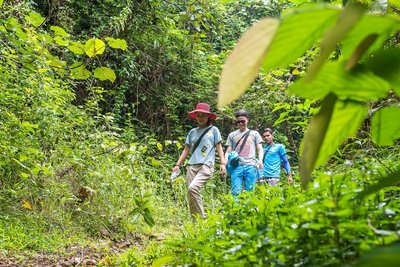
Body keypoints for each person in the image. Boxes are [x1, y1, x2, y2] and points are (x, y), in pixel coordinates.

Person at [173, 103, 226, 219]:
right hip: (192, 166)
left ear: (208, 117)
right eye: (199, 115)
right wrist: (177, 164)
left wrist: (222, 163)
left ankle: (201, 219)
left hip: (206, 165)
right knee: (190, 192)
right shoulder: (192, 132)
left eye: (203, 115)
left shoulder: (214, 130)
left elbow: (219, 147)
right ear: (196, 116)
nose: (201, 118)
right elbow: (186, 149)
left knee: (193, 188)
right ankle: (194, 221)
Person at [224, 110, 263, 196]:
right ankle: (236, 209)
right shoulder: (232, 135)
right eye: (238, 122)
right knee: (235, 192)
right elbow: (228, 152)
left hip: (250, 165)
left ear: (247, 120)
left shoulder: (254, 134)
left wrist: (260, 160)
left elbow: (260, 149)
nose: (241, 123)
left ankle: (249, 209)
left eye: (243, 121)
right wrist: (223, 165)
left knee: (250, 192)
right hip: (236, 166)